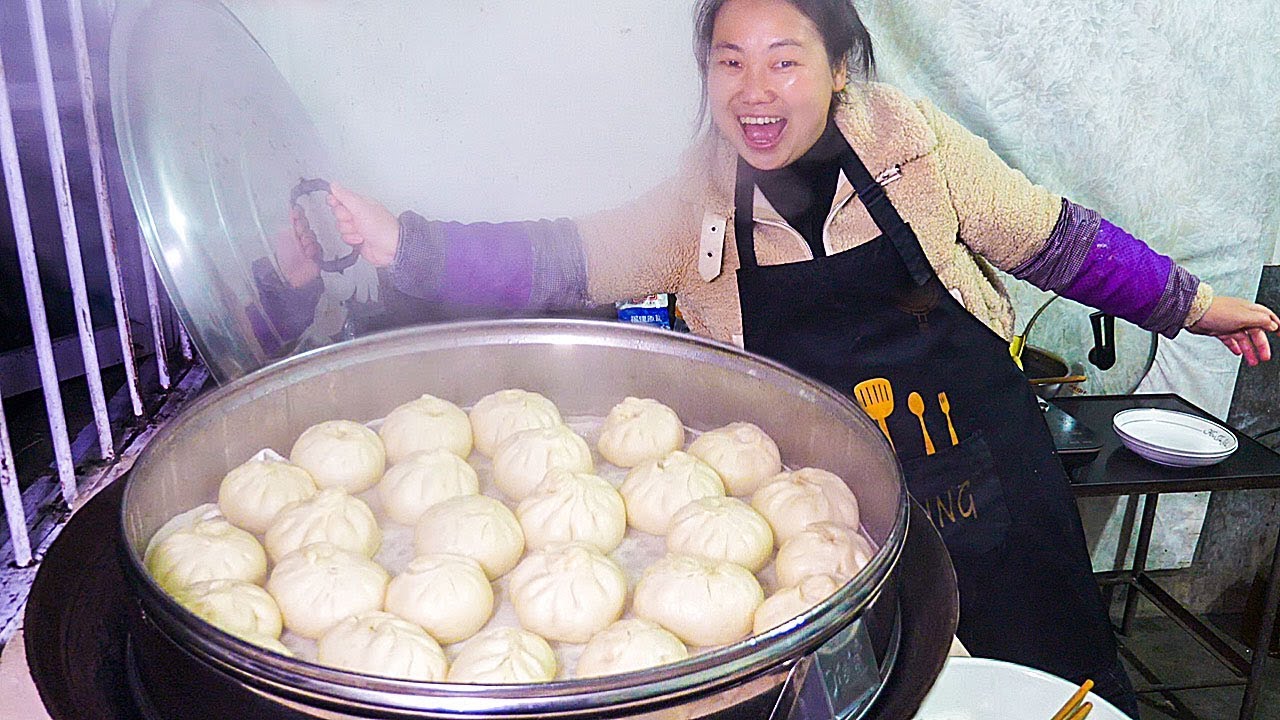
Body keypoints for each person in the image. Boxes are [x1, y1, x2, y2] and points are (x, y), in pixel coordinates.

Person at [302, 0, 1279, 713]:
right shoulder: (695, 200)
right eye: (729, 64)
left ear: (839, 66)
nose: (755, 90)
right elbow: (566, 254)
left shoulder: (914, 148)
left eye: (784, 61)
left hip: (992, 487)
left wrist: (1191, 306)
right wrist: (411, 246)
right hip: (820, 528)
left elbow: (1051, 239)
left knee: (1052, 688)